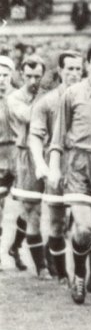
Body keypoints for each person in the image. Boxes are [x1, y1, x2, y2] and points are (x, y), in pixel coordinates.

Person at [49, 45, 91, 306]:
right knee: (84, 228)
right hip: (78, 163)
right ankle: (79, 276)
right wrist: (55, 167)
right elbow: (58, 137)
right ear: (87, 65)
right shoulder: (72, 94)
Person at [28, 51, 84, 283]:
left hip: (83, 166)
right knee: (57, 222)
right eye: (69, 69)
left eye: (78, 69)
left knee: (85, 223)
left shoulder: (88, 97)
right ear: (60, 71)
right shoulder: (48, 102)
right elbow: (35, 136)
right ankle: (61, 274)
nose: (73, 73)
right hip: (57, 165)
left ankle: (86, 277)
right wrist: (43, 164)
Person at [8, 55, 48, 276]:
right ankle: (42, 266)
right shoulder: (15, 97)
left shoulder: (45, 94)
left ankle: (16, 246)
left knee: (56, 210)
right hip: (25, 155)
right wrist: (46, 99)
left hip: (49, 153)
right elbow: (30, 116)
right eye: (30, 76)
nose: (34, 80)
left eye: (38, 76)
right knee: (32, 209)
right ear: (22, 75)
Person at [0, 56, 20, 269]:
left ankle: (17, 245)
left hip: (19, 154)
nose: (1, 79)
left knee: (29, 206)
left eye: (5, 75)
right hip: (0, 155)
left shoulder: (18, 97)